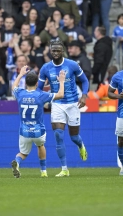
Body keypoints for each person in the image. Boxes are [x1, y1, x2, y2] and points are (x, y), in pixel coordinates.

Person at [37, 40, 89, 177]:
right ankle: (64, 168)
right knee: (58, 135)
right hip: (57, 105)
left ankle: (80, 145)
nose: (55, 53)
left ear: (63, 51)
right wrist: (44, 100)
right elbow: (39, 89)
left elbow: (85, 80)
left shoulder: (72, 65)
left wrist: (84, 96)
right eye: (53, 50)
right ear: (50, 51)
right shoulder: (45, 68)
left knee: (74, 137)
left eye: (58, 50)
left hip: (73, 104)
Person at [11, 66, 66, 178]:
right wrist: (62, 81)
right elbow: (61, 95)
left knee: (23, 153)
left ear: (25, 83)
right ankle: (43, 171)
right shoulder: (41, 95)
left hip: (24, 131)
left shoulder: (20, 94)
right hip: (38, 131)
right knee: (40, 146)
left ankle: (17, 162)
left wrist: (21, 74)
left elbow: (14, 87)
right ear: (37, 83)